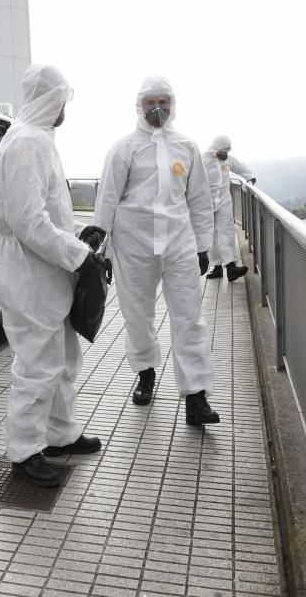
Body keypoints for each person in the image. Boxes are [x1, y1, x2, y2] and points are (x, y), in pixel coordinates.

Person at [0, 64, 104, 487]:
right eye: (62, 101)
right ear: (49, 99)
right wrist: (79, 255)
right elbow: (28, 221)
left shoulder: (36, 140)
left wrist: (78, 237)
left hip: (45, 269)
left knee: (61, 357)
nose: (64, 110)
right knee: (38, 361)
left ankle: (59, 434)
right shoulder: (26, 142)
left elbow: (49, 211)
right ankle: (24, 451)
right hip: (29, 271)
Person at [94, 76, 219, 425]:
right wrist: (101, 250)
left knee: (189, 317)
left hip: (179, 243)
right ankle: (146, 371)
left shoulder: (187, 147)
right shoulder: (124, 149)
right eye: (151, 103)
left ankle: (196, 396)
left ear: (174, 105)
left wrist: (203, 245)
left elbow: (198, 199)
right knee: (137, 314)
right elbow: (106, 200)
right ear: (139, 106)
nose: (158, 109)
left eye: (164, 102)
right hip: (133, 245)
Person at [203, 135, 254, 281]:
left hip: (224, 201)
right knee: (211, 235)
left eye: (227, 150)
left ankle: (231, 266)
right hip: (206, 202)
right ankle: (216, 267)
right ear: (215, 148)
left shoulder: (228, 160)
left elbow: (241, 167)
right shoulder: (203, 160)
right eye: (223, 150)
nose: (225, 153)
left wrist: (250, 177)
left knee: (226, 232)